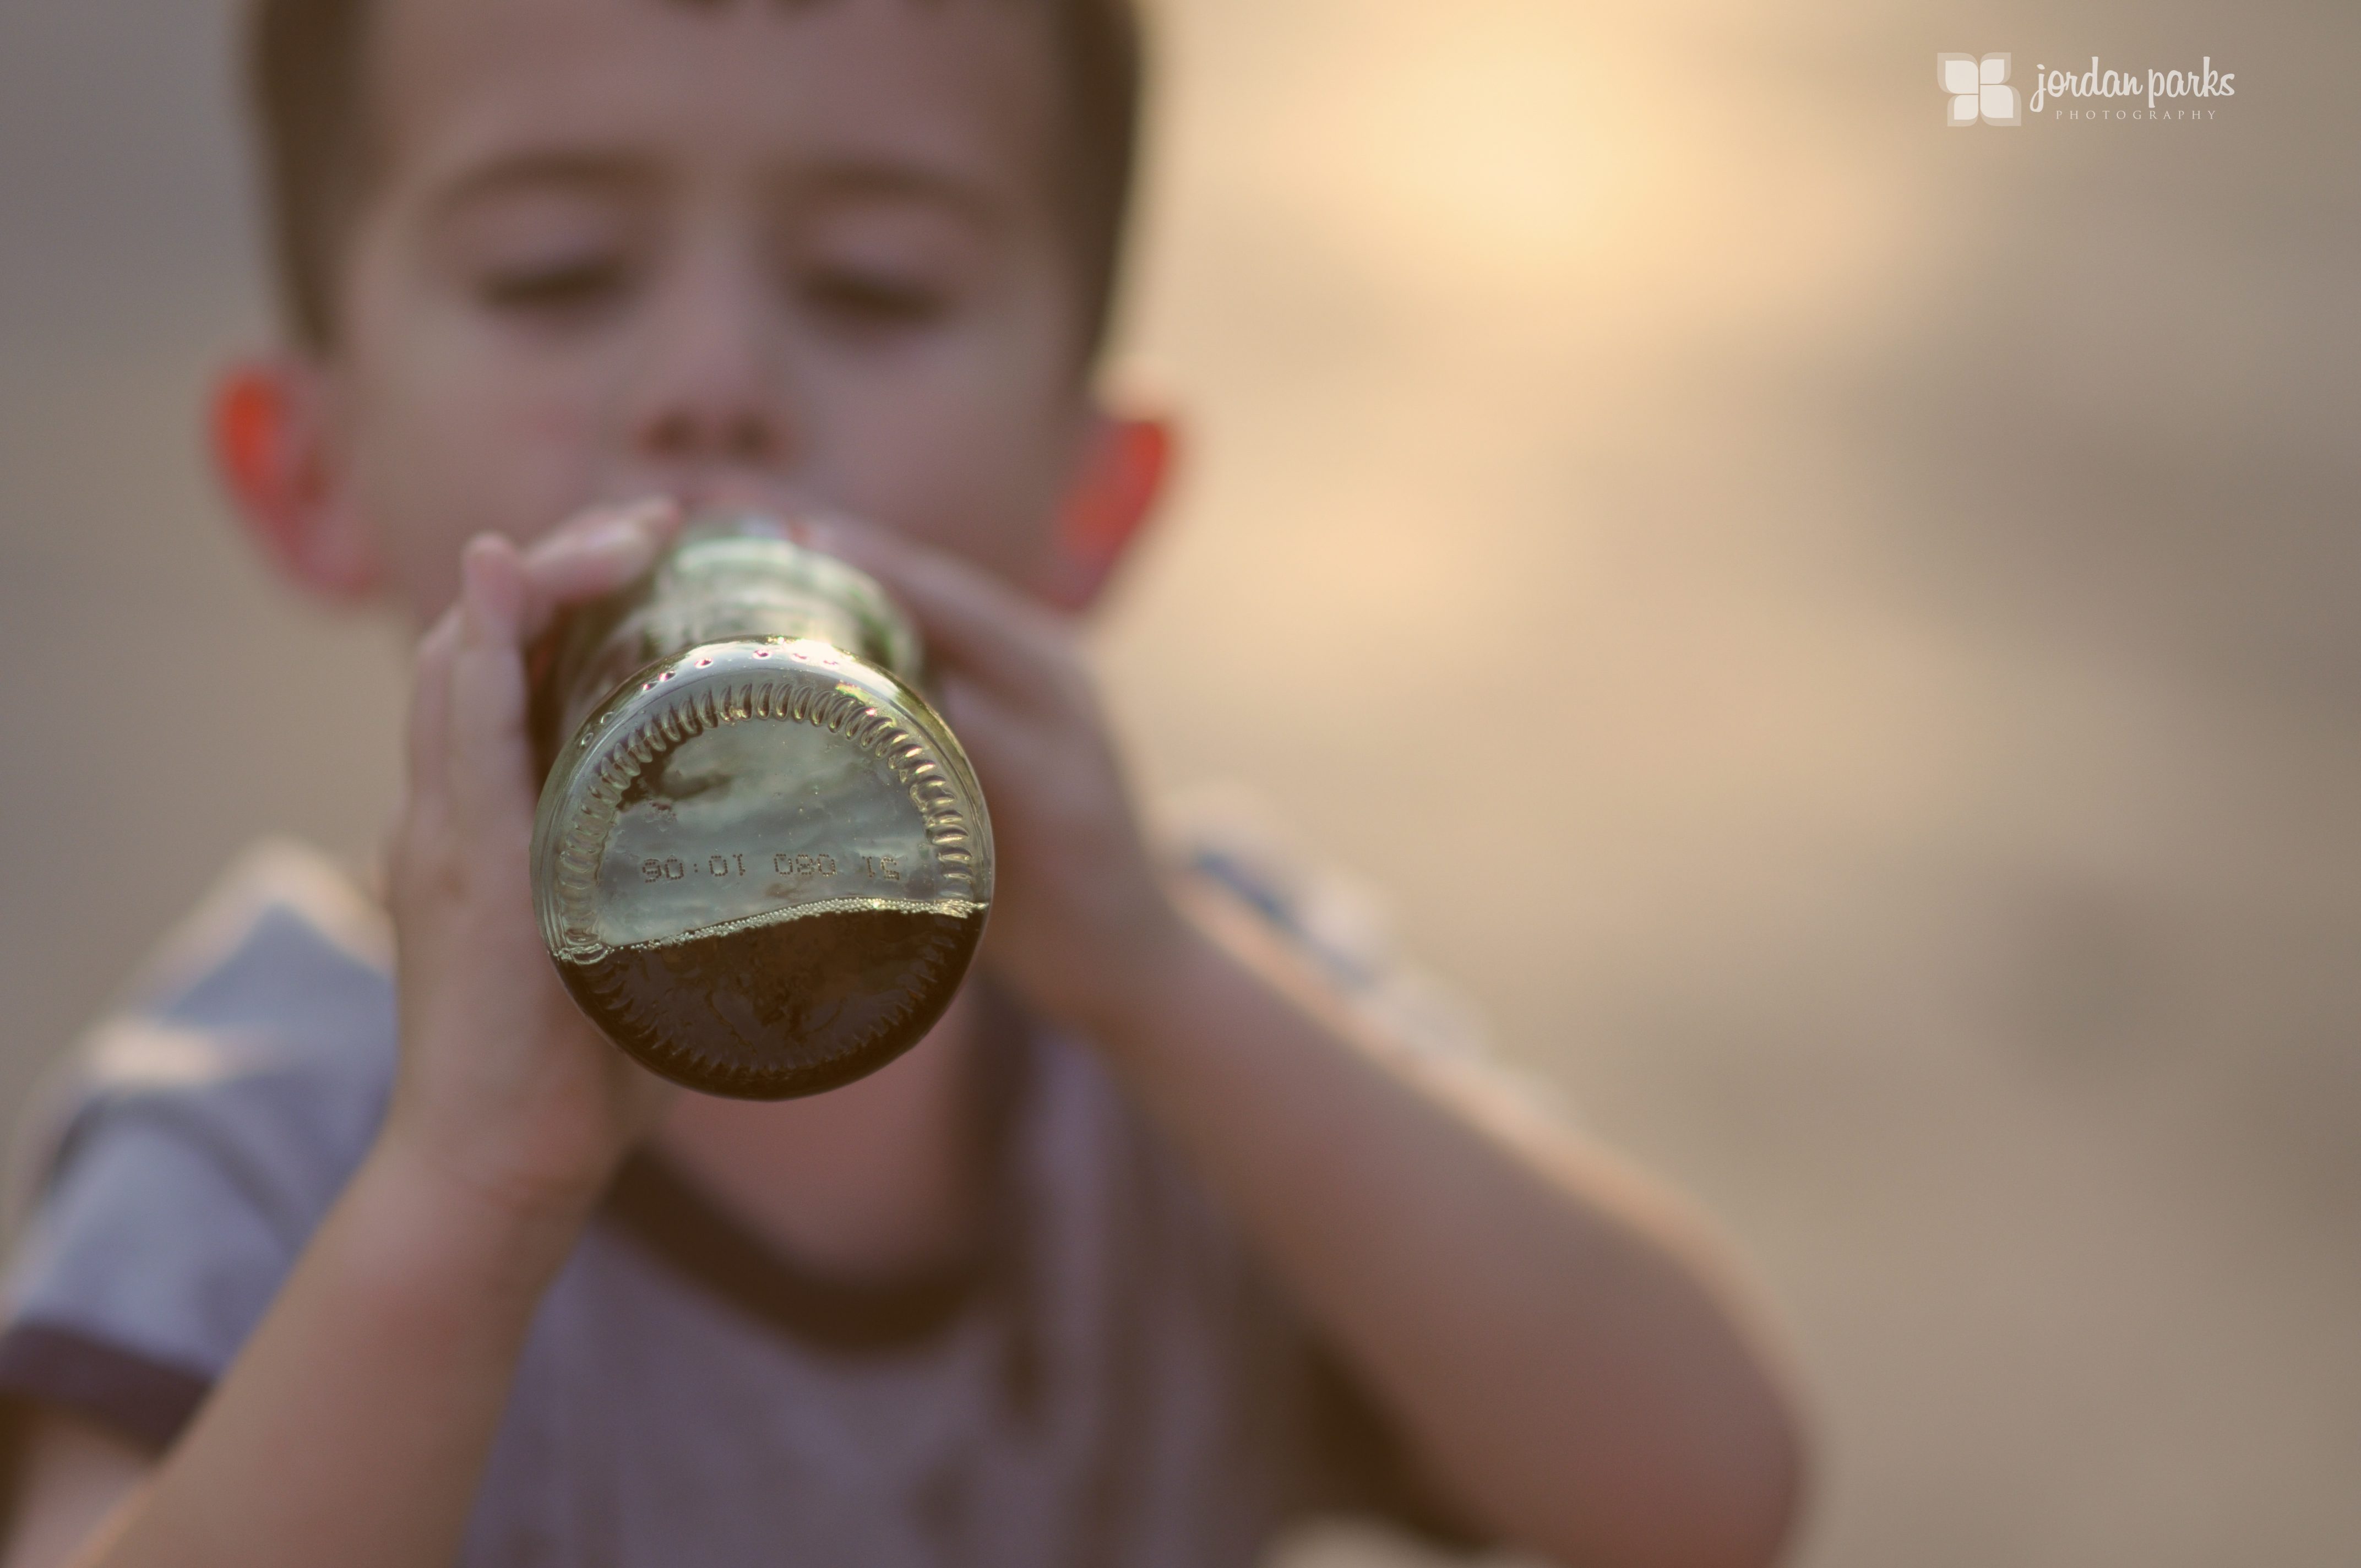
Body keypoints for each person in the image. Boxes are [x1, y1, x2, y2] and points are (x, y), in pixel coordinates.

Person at [0, 1, 1808, 1564]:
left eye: (877, 286)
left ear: (1092, 497)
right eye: (557, 272)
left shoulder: (1202, 1029)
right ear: (309, 472)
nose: (715, 387)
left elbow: (1707, 1494)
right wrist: (464, 1197)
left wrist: (1168, 980)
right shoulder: (268, 1127)